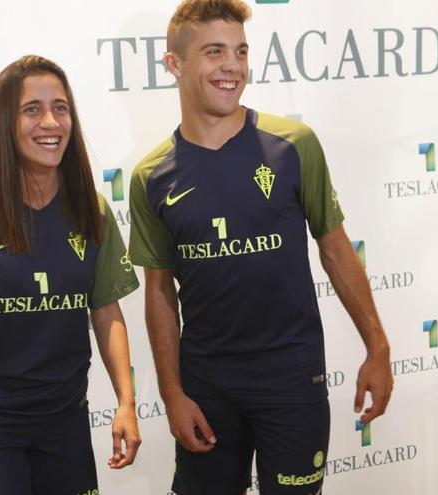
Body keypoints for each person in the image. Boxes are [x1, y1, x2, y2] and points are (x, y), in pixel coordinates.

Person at [128, 1, 394, 494]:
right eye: (214, 51)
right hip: (206, 390)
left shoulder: (293, 144)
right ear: (174, 64)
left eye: (241, 51)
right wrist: (171, 393)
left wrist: (377, 347)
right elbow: (159, 291)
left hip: (292, 383)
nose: (233, 66)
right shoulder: (151, 176)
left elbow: (335, 250)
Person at [0, 55, 141, 495]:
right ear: (4, 124)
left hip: (65, 422)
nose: (50, 122)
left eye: (61, 107)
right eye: (32, 109)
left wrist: (126, 402)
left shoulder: (93, 210)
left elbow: (107, 311)